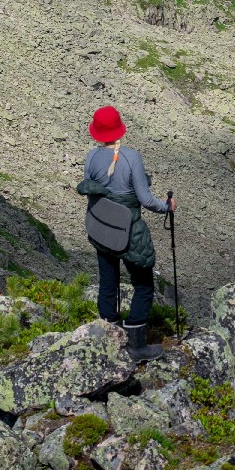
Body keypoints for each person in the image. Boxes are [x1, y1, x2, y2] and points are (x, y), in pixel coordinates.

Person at [77, 106, 174, 348]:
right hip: (128, 230)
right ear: (120, 129)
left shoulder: (91, 156)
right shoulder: (132, 158)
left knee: (108, 281)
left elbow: (93, 187)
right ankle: (135, 342)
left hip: (101, 228)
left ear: (97, 132)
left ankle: (109, 335)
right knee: (143, 284)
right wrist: (167, 207)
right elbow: (146, 199)